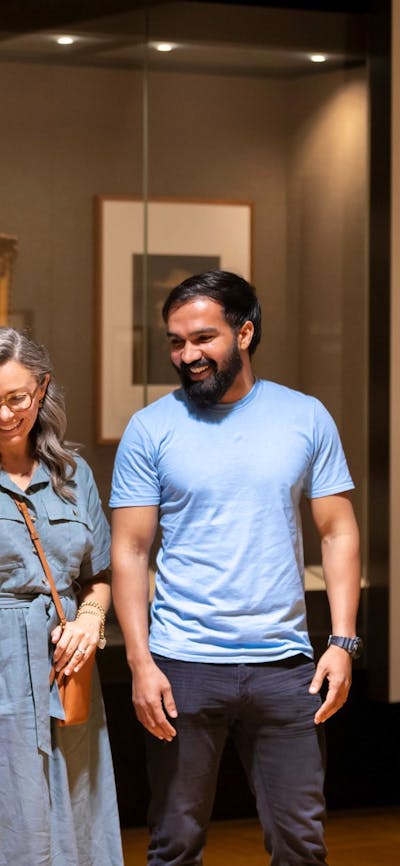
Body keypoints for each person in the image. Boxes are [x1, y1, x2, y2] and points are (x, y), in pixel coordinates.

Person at [110, 270, 361, 866]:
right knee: (174, 844)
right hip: (183, 668)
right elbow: (130, 551)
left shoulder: (306, 417)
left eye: (202, 338)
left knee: (302, 843)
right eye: (175, 341)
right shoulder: (150, 429)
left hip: (287, 668)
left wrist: (344, 641)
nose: (187, 355)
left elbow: (338, 529)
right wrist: (140, 663)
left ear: (244, 332)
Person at [0, 328, 123, 866]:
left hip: (66, 671)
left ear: (43, 389)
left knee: (75, 809)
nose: (4, 415)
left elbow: (98, 575)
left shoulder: (71, 474)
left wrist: (89, 620)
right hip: (3, 669)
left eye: (15, 399)